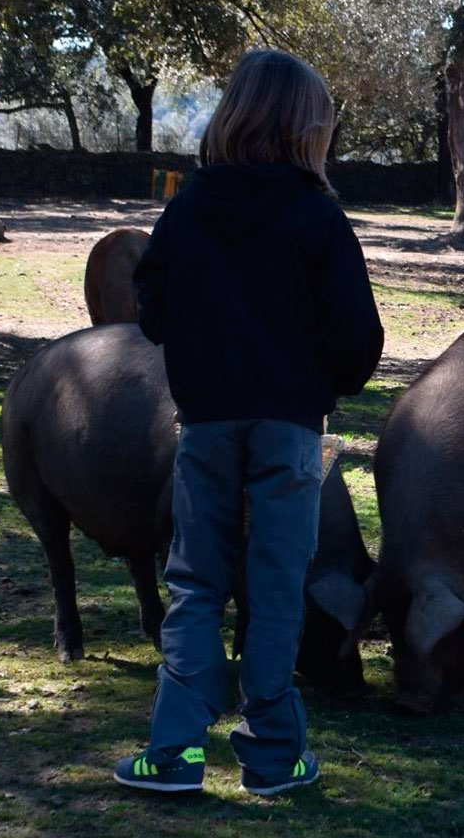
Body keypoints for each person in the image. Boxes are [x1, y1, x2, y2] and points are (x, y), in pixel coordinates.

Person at [115, 49, 383, 796]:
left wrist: (204, 350)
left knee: (196, 584)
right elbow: (359, 334)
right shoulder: (316, 215)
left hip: (205, 427)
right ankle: (271, 756)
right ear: (307, 131)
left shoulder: (190, 207)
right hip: (290, 433)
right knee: (274, 590)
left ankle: (173, 755)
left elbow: (154, 304)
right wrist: (322, 385)